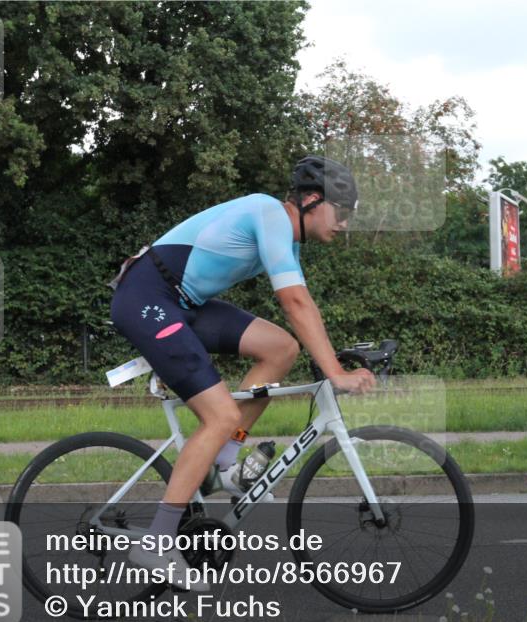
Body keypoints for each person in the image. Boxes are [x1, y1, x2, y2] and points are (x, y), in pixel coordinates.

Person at [109, 156, 376, 589]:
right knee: (221, 416)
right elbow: (295, 303)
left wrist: (331, 362)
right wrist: (335, 372)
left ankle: (226, 462)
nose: (344, 223)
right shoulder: (268, 212)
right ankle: (155, 543)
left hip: (181, 303)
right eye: (341, 211)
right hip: (148, 296)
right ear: (311, 200)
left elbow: (298, 315)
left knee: (280, 348)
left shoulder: (285, 239)